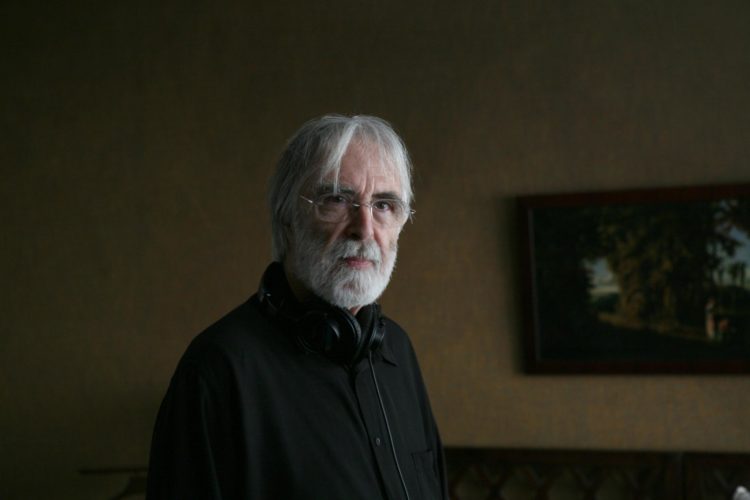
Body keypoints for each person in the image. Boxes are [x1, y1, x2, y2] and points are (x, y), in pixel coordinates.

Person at [146, 114, 447, 500]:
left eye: (384, 205)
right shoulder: (215, 370)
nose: (364, 228)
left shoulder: (397, 351)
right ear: (286, 215)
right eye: (336, 200)